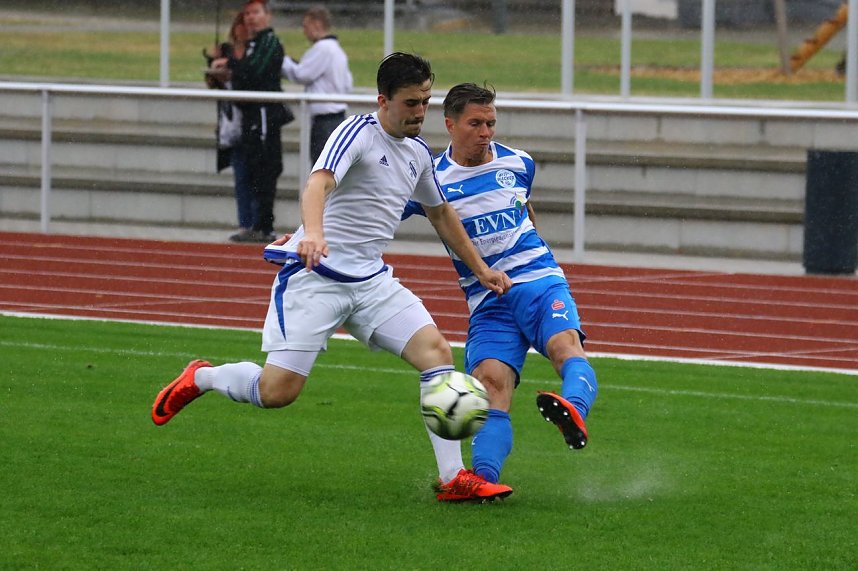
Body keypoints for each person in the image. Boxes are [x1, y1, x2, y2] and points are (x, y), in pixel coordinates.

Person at [151, 53, 514, 503]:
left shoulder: (419, 153)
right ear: (383, 100)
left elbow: (441, 214)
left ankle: (453, 477)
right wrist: (313, 234)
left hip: (372, 282)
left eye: (424, 101)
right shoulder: (356, 133)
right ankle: (203, 377)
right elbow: (318, 184)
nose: (420, 112)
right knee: (277, 392)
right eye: (410, 103)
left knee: (437, 354)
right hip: (316, 276)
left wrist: (481, 268)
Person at [401, 83, 599, 487]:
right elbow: (373, 209)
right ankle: (483, 479)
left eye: (491, 123)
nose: (486, 132)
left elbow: (524, 209)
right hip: (487, 300)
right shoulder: (430, 179)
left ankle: (574, 410)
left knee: (564, 346)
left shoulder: (519, 162)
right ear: (450, 124)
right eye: (475, 124)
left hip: (539, 281)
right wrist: (307, 234)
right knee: (491, 387)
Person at [210, 0, 290, 243]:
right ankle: (258, 224)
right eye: (247, 14)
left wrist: (231, 65)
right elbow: (244, 75)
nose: (250, 18)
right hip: (251, 117)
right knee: (254, 169)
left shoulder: (269, 42)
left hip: (264, 115)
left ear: (267, 15)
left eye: (255, 12)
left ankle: (264, 226)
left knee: (265, 168)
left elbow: (253, 74)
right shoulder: (254, 45)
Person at [204, 12, 258, 242]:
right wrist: (211, 61)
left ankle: (258, 223)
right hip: (230, 124)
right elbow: (211, 82)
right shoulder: (225, 51)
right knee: (241, 177)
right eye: (240, 26)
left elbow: (249, 76)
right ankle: (245, 223)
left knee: (256, 176)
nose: (243, 31)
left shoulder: (254, 52)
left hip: (251, 123)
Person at [280, 5, 353, 165]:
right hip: (337, 118)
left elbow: (302, 74)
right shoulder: (338, 51)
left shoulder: (323, 49)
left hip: (325, 122)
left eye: (306, 26)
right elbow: (348, 83)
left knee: (322, 168)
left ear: (317, 24)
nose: (304, 31)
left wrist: (281, 60)